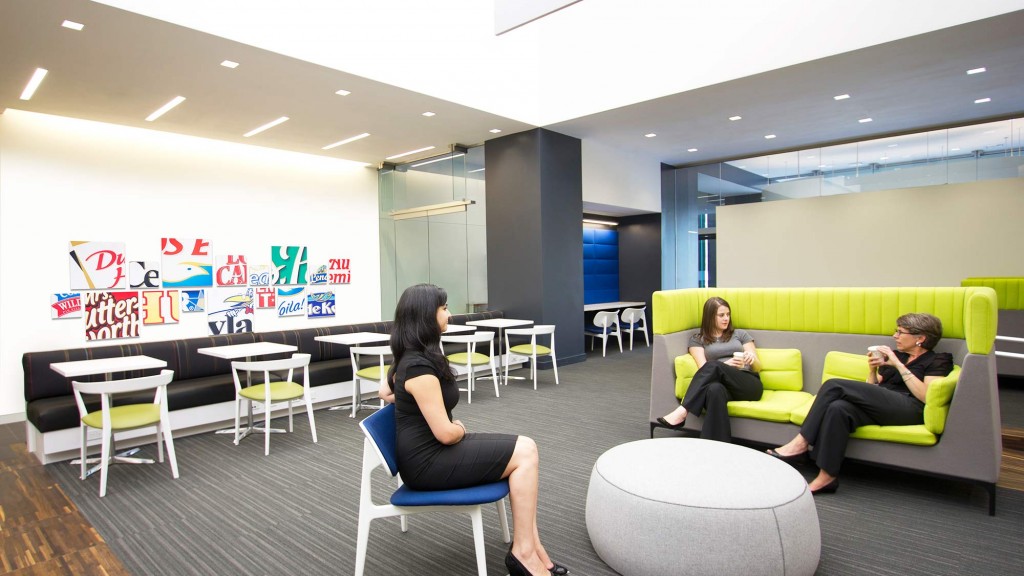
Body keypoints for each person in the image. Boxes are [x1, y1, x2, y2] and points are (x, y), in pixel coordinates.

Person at [381, 284, 568, 576]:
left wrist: (403, 388)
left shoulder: (414, 357)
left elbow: (386, 392)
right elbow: (445, 433)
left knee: (526, 449)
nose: (449, 313)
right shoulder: (417, 366)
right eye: (443, 308)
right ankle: (524, 553)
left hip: (431, 453)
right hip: (428, 464)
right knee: (525, 455)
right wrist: (457, 428)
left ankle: (531, 548)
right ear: (424, 316)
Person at [768, 313, 953, 494]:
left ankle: (801, 443)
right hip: (884, 404)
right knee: (838, 408)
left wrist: (897, 364)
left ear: (920, 338)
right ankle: (827, 477)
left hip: (909, 408)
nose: (894, 336)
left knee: (833, 385)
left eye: (900, 332)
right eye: (895, 331)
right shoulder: (898, 355)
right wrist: (872, 370)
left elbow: (925, 396)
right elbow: (872, 388)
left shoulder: (938, 359)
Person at [656, 297, 762, 442]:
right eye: (721, 315)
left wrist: (752, 358)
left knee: (714, 366)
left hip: (748, 384)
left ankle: (683, 410)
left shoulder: (740, 334)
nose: (726, 319)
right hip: (724, 385)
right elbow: (703, 368)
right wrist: (726, 365)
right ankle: (716, 445)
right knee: (714, 389)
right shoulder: (697, 340)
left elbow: (758, 367)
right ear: (710, 316)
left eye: (728, 314)